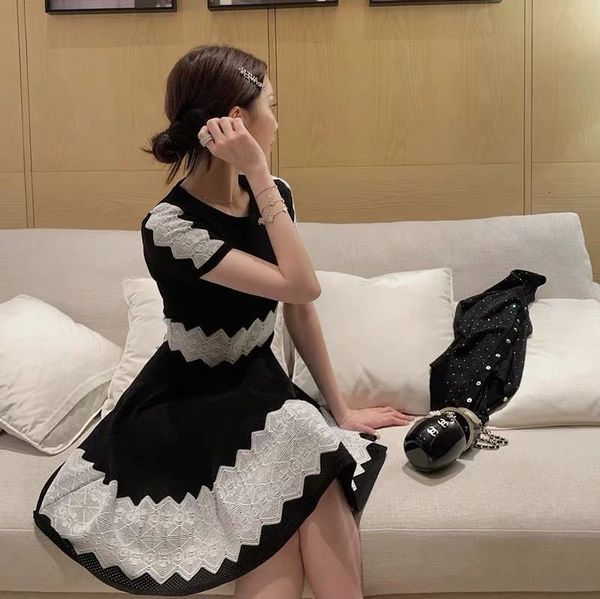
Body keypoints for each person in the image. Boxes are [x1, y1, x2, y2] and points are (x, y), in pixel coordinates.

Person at [32, 43, 415, 599]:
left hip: (256, 387)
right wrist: (257, 171)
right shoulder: (171, 228)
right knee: (301, 442)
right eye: (271, 107)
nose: (277, 123)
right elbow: (303, 285)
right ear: (237, 120)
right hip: (189, 403)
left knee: (306, 453)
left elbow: (300, 308)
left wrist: (341, 409)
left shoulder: (273, 197)